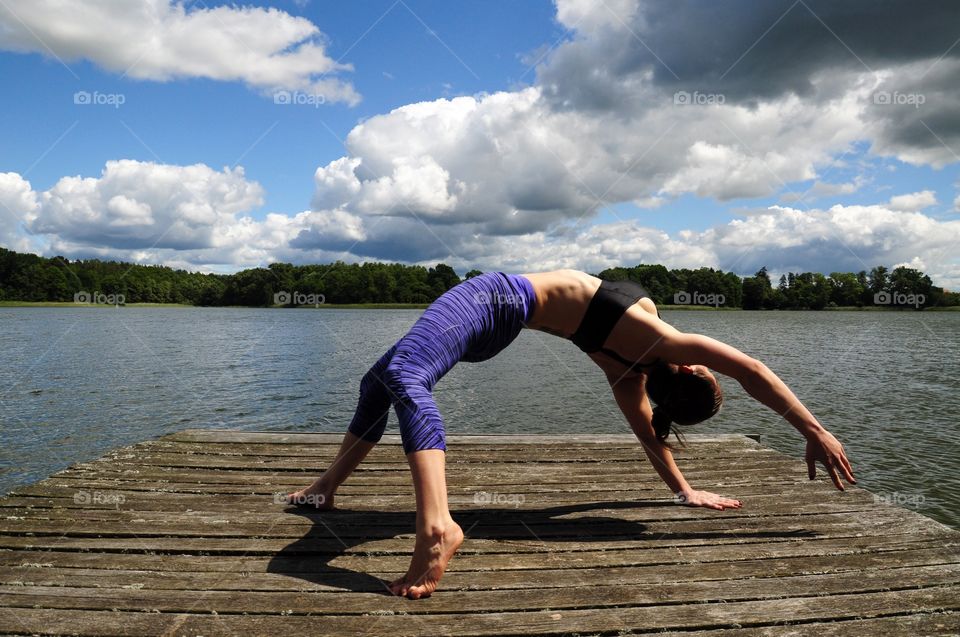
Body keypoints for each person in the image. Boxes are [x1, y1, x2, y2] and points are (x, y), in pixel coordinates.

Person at [287, 269, 856, 599]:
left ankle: (437, 528)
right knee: (380, 380)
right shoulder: (626, 375)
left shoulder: (662, 346)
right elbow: (651, 441)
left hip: (494, 299)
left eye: (708, 371)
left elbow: (750, 369)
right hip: (502, 321)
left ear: (691, 373)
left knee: (405, 376)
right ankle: (327, 487)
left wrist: (815, 429)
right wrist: (684, 492)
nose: (709, 364)